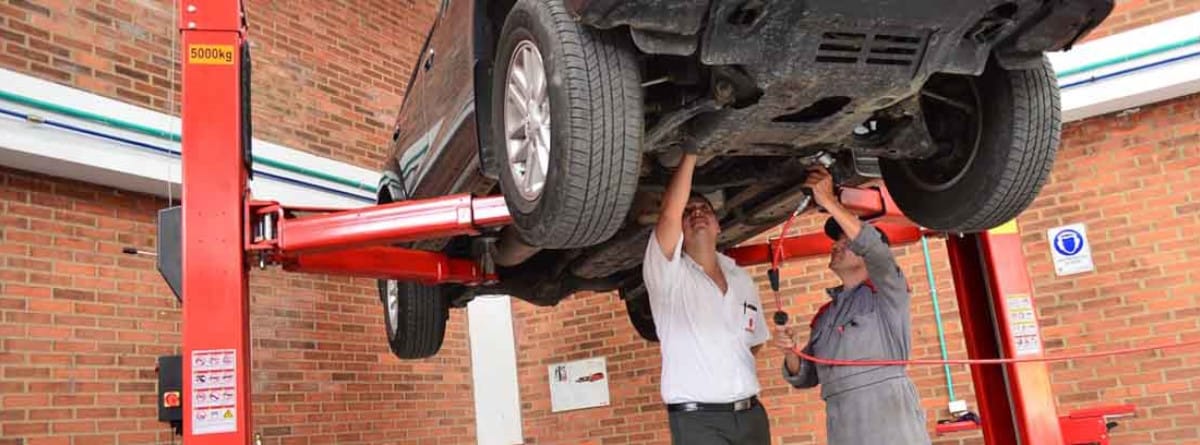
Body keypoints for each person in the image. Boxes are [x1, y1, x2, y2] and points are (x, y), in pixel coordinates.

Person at [774, 167, 931, 445]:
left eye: (846, 242)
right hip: (843, 424)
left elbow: (876, 251)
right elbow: (806, 377)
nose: (836, 246)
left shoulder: (887, 294)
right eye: (836, 242)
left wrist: (829, 202)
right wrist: (790, 352)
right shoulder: (826, 316)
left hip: (888, 418)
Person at [643, 152, 771, 445]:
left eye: (705, 209)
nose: (697, 213)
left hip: (750, 414)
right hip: (698, 421)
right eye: (689, 211)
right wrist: (691, 152)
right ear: (681, 228)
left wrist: (724, 366)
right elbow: (668, 215)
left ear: (718, 226)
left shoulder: (741, 279)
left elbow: (757, 338)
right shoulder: (667, 275)